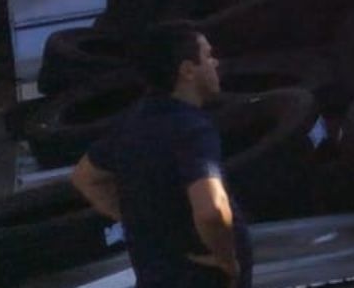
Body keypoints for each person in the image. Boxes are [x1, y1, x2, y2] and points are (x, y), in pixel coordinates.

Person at [71, 23, 250, 288]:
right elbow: (212, 209)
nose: (216, 62)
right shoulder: (193, 131)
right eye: (207, 55)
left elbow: (85, 177)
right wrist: (226, 259)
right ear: (187, 70)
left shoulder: (132, 121)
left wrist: (144, 226)